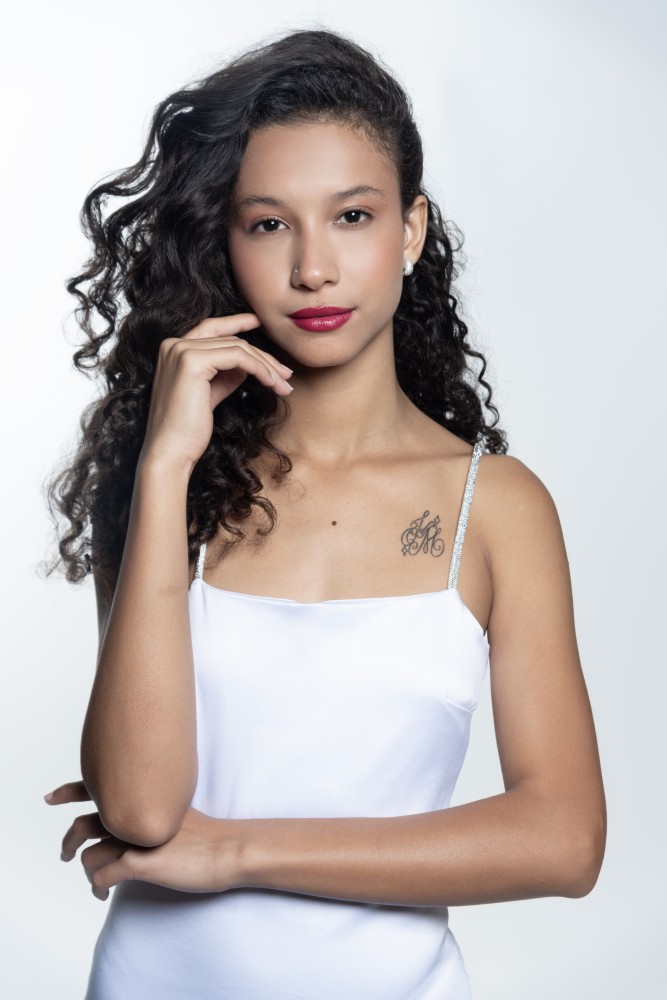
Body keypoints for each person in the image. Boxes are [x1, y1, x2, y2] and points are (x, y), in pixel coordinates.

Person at [43, 28, 606, 1000]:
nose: (312, 268)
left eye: (351, 215)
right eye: (268, 224)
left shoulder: (497, 508)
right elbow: (139, 807)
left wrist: (235, 851)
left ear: (410, 230)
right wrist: (165, 465)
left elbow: (562, 839)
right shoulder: (164, 483)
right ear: (224, 241)